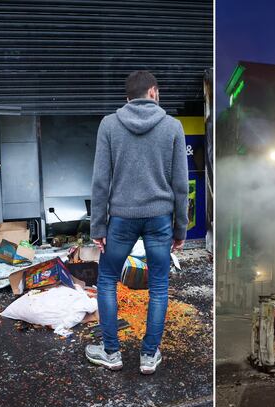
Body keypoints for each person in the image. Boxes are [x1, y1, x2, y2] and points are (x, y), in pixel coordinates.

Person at [86, 70, 188, 374]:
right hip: (159, 218)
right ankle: (148, 355)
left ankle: (111, 352)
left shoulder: (109, 124)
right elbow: (180, 184)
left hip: (121, 218)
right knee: (158, 286)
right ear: (153, 92)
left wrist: (97, 227)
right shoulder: (172, 126)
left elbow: (100, 181)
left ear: (127, 97)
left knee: (106, 280)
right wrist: (180, 228)